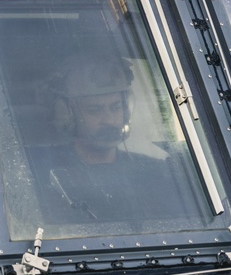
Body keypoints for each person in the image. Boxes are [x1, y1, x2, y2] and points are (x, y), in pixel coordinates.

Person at [31, 51, 201, 231]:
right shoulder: (43, 176)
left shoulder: (156, 175)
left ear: (127, 111)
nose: (109, 120)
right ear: (68, 116)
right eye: (94, 110)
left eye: (116, 107)